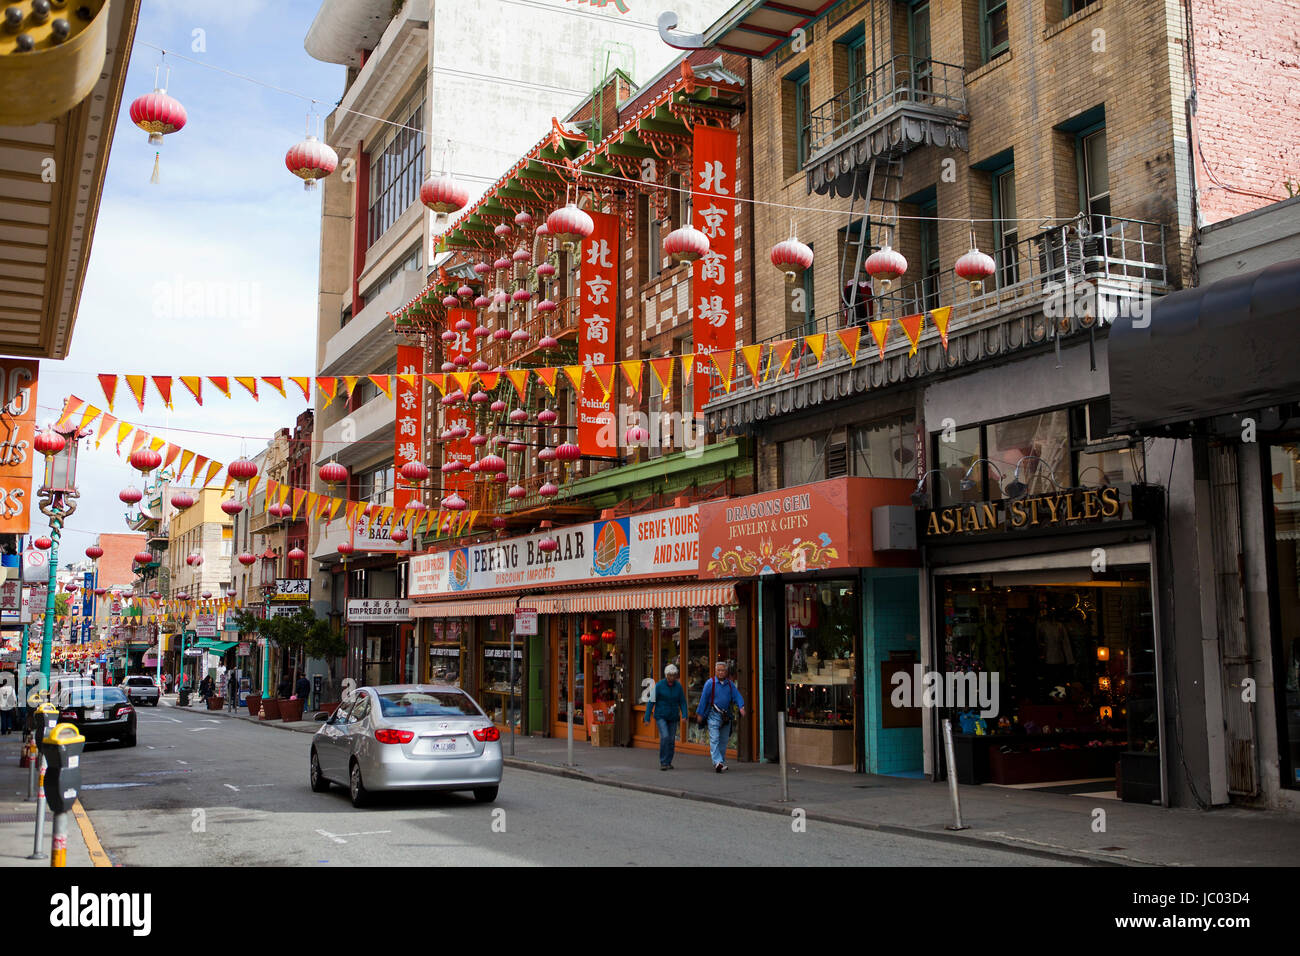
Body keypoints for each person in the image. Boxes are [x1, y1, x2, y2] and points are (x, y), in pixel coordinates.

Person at [695, 660, 746, 773]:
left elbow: (737, 696)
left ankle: (720, 762)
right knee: (714, 738)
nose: (721, 672)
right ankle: (717, 761)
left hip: (726, 715)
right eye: (719, 670)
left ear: (726, 671)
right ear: (715, 671)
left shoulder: (730, 684)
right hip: (713, 713)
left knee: (723, 740)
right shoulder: (710, 683)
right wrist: (700, 714)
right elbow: (703, 699)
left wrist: (741, 706)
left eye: (723, 670)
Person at [643, 664, 688, 770]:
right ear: (666, 675)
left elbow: (682, 701)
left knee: (671, 740)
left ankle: (668, 761)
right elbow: (651, 702)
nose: (672, 678)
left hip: (673, 716)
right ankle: (663, 762)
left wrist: (684, 714)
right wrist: (647, 718)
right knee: (665, 737)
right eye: (670, 675)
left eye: (674, 675)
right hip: (661, 715)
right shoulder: (659, 685)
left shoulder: (678, 686)